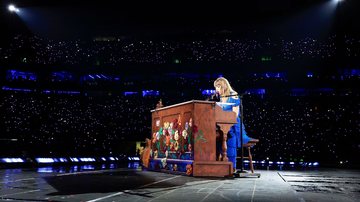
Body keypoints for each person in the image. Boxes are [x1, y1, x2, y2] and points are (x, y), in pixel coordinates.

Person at [213, 77, 259, 172]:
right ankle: (220, 164)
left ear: (223, 86)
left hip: (233, 124)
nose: (216, 90)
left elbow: (235, 114)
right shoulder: (222, 97)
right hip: (223, 123)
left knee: (230, 137)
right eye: (216, 87)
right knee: (217, 137)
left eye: (218, 87)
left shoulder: (233, 95)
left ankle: (231, 167)